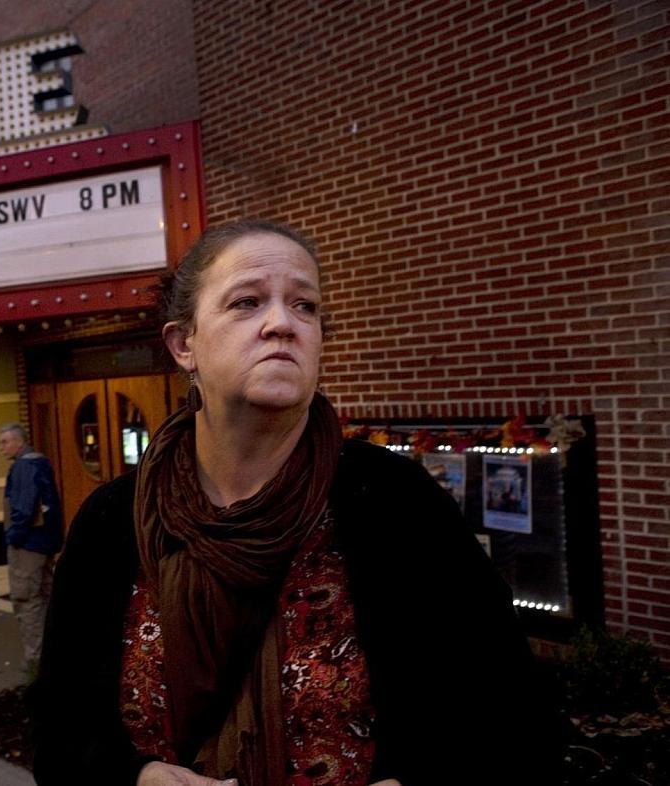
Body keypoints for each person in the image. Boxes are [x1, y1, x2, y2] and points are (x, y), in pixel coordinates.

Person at [30, 220, 564, 786]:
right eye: (246, 302)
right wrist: (135, 777)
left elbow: (511, 712)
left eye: (304, 306)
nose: (282, 324)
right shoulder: (115, 519)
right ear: (184, 345)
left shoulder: (397, 505)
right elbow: (60, 732)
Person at [0, 423, 64, 679]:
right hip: (44, 543)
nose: (1, 447)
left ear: (18, 442)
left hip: (28, 546)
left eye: (4, 442)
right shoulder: (41, 462)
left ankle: (37, 663)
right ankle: (52, 658)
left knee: (28, 602)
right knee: (45, 598)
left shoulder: (24, 466)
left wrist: (14, 537)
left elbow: (23, 508)